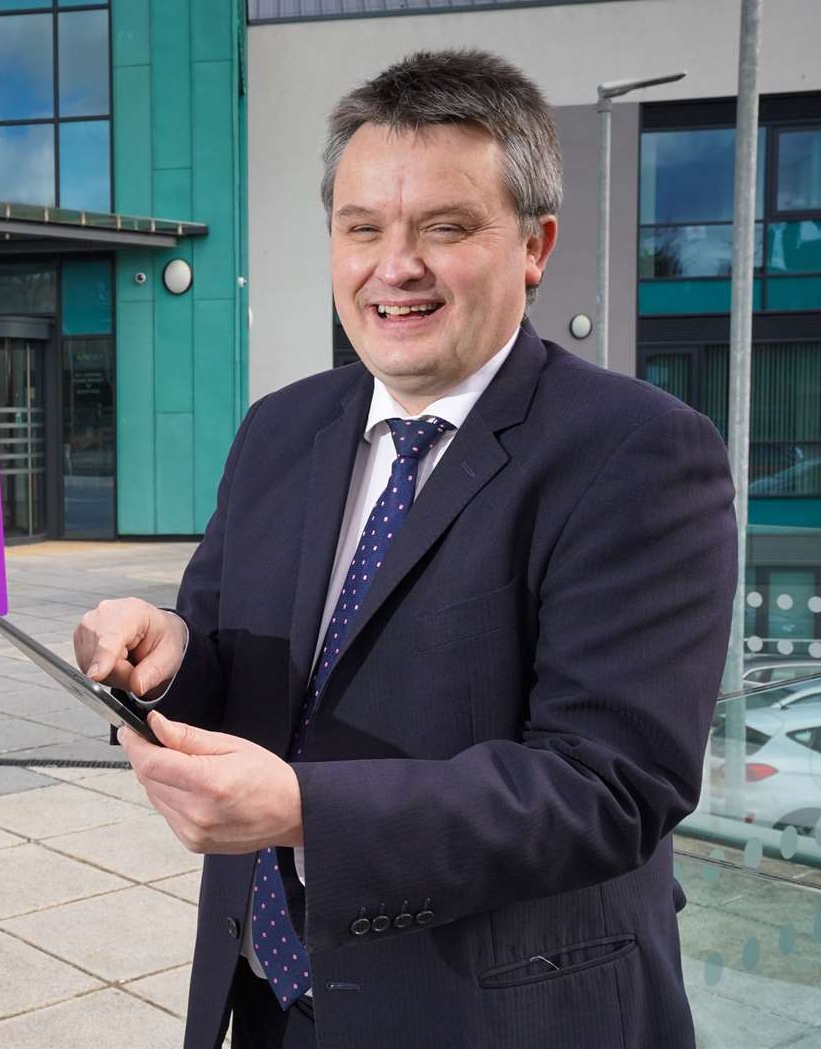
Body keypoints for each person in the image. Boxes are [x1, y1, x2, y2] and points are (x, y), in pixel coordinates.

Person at [73, 51, 736, 1049]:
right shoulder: (278, 428)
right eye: (363, 229)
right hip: (267, 1003)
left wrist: (307, 812)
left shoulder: (639, 452)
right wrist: (161, 652)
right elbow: (224, 652)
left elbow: (610, 785)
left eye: (446, 227)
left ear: (535, 245)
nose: (396, 266)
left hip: (499, 1019)